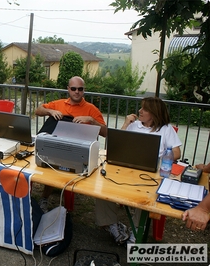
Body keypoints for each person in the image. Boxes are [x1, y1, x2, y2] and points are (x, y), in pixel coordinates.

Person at [95, 97, 182, 245]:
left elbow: (177, 152)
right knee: (101, 188)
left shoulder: (166, 129)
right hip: (124, 167)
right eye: (141, 108)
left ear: (154, 114)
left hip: (149, 172)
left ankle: (136, 230)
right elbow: (116, 144)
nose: (140, 111)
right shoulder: (134, 125)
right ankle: (111, 225)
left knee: (147, 196)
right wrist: (126, 123)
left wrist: (161, 156)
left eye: (144, 109)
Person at [35, 76, 108, 213]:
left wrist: (91, 120)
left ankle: (66, 205)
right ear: (68, 89)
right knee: (47, 161)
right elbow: (38, 110)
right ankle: (44, 197)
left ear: (83, 91)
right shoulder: (59, 104)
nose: (77, 92)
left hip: (78, 152)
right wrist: (50, 111)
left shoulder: (91, 109)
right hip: (57, 149)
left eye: (80, 89)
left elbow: (105, 132)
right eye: (73, 89)